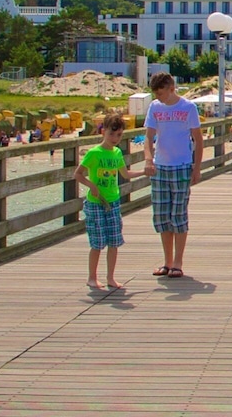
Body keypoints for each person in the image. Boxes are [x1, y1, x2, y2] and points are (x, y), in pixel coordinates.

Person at [77, 113, 152, 290]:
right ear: (103, 131)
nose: (115, 138)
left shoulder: (117, 152)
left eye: (118, 135)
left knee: (114, 241)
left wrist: (143, 172)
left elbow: (125, 174)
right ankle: (92, 277)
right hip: (95, 203)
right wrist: (91, 186)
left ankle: (110, 277)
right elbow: (78, 174)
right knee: (97, 242)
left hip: (113, 201)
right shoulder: (94, 153)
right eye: (111, 134)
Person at [144, 73, 205, 279]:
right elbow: (149, 136)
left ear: (171, 88)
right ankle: (167, 262)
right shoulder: (155, 107)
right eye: (156, 94)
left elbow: (198, 138)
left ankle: (178, 262)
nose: (159, 97)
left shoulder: (188, 108)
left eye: (161, 93)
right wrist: (148, 159)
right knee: (162, 216)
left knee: (178, 215)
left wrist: (196, 168)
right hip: (160, 166)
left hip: (181, 165)